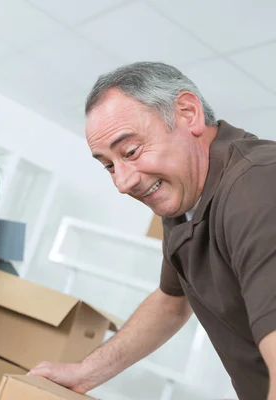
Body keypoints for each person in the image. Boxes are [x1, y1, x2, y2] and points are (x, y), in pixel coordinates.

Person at [29, 62, 276, 400]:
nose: (122, 181)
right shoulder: (184, 197)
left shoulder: (260, 187)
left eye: (131, 151)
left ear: (188, 114)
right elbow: (171, 302)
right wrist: (86, 372)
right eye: (109, 166)